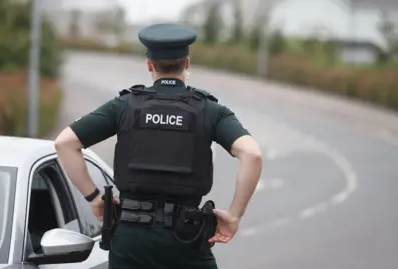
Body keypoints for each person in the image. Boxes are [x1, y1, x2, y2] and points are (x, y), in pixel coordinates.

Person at [55, 23, 263, 269]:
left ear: (149, 65)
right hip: (186, 238)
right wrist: (234, 215)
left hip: (131, 239)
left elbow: (65, 143)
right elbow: (252, 154)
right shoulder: (210, 110)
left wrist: (94, 197)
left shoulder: (124, 106)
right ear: (186, 64)